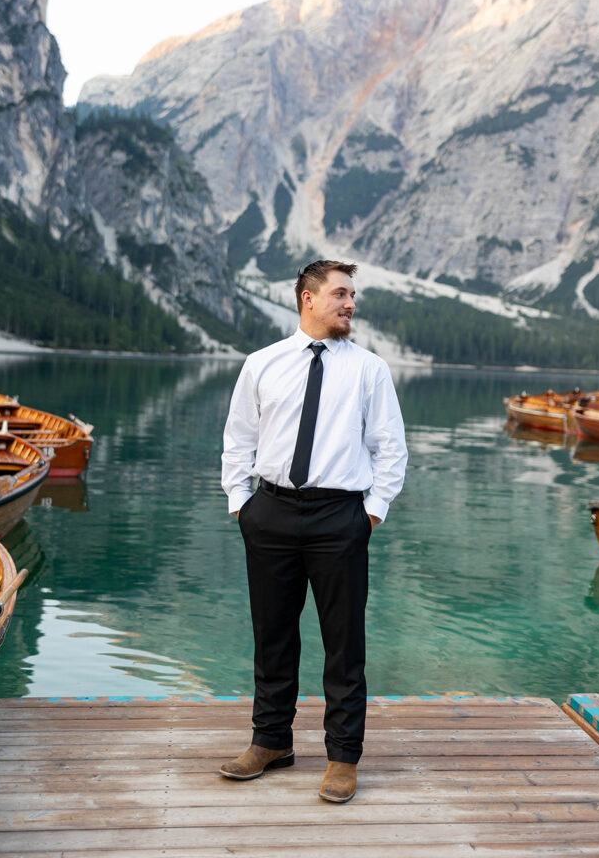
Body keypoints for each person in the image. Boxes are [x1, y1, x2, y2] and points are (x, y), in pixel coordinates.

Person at [220, 259, 408, 802]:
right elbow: (239, 440)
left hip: (340, 518)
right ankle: (271, 741)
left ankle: (343, 757)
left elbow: (390, 448)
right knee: (272, 636)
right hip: (270, 513)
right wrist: (242, 504)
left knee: (344, 644)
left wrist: (371, 512)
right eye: (341, 294)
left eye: (353, 296)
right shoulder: (261, 364)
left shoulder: (370, 369)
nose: (350, 304)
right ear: (308, 298)